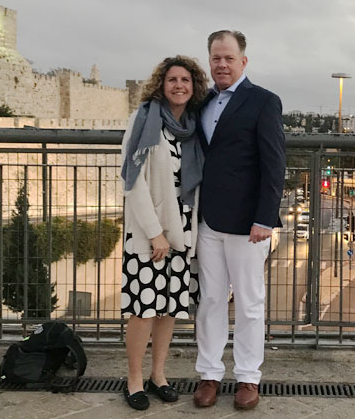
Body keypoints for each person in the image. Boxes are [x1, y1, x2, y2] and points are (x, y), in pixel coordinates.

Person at [193, 30, 286, 411]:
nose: (222, 64)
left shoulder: (263, 101)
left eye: (229, 58)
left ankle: (248, 377)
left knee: (249, 303)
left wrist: (265, 218)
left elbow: (274, 163)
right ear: (209, 60)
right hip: (208, 221)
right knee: (211, 300)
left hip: (249, 224)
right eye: (216, 58)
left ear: (243, 61)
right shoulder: (202, 102)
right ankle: (210, 374)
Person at [119, 55, 208, 411]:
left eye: (185, 80)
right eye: (172, 80)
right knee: (144, 309)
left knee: (169, 308)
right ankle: (134, 379)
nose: (179, 86)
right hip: (148, 233)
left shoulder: (191, 126)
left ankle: (159, 375)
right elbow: (133, 181)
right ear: (161, 83)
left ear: (193, 86)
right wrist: (155, 233)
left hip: (182, 229)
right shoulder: (143, 119)